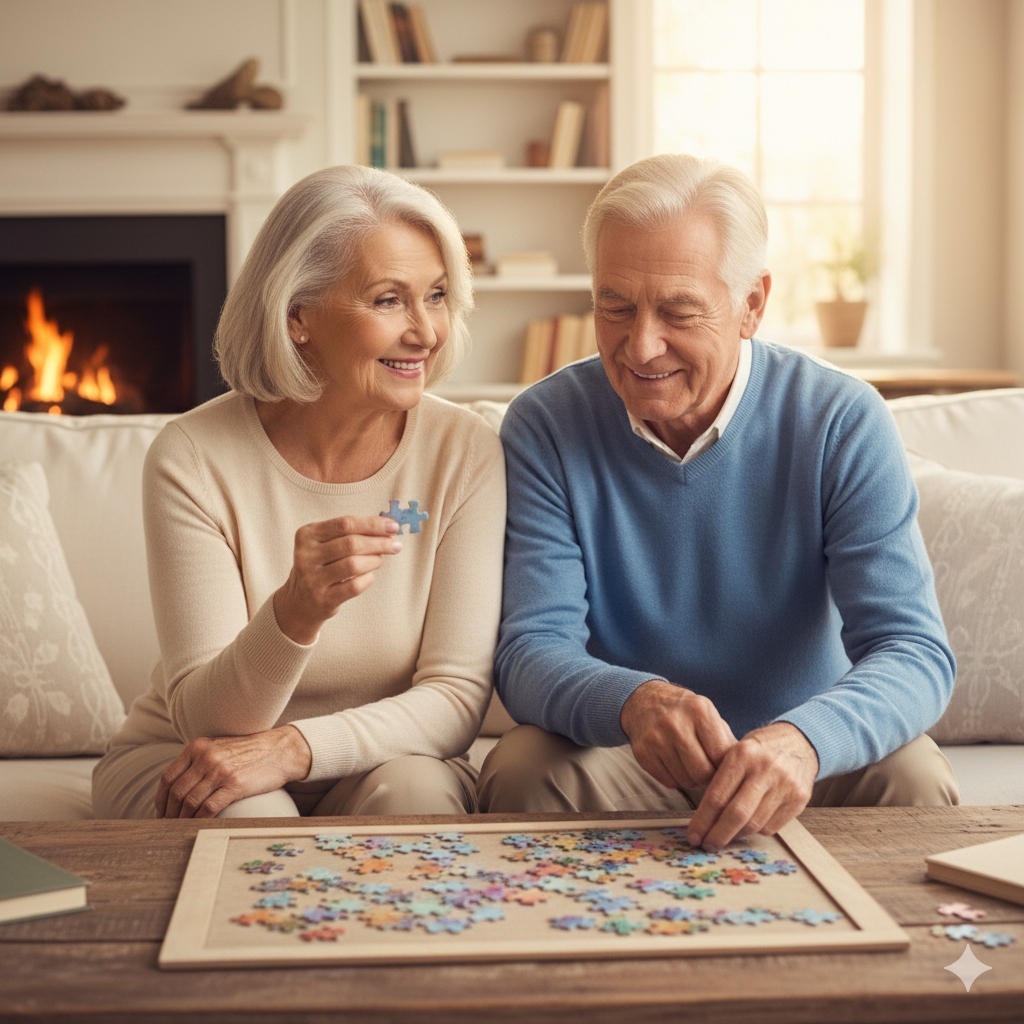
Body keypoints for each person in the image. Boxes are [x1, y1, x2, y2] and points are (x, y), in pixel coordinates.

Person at [478, 154, 959, 849]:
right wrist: (634, 702)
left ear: (752, 306)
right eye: (614, 306)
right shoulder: (545, 424)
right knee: (523, 769)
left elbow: (912, 649)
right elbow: (529, 651)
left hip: (805, 756)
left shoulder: (840, 420)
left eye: (678, 311)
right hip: (628, 754)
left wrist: (803, 740)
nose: (640, 346)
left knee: (913, 776)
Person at [92, 165, 505, 819]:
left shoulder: (465, 450)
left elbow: (455, 698)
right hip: (190, 753)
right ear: (297, 317)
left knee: (418, 798)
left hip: (378, 757)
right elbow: (208, 722)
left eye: (436, 296)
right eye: (388, 299)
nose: (426, 331)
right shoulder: (193, 456)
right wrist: (295, 611)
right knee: (251, 821)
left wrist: (294, 750)